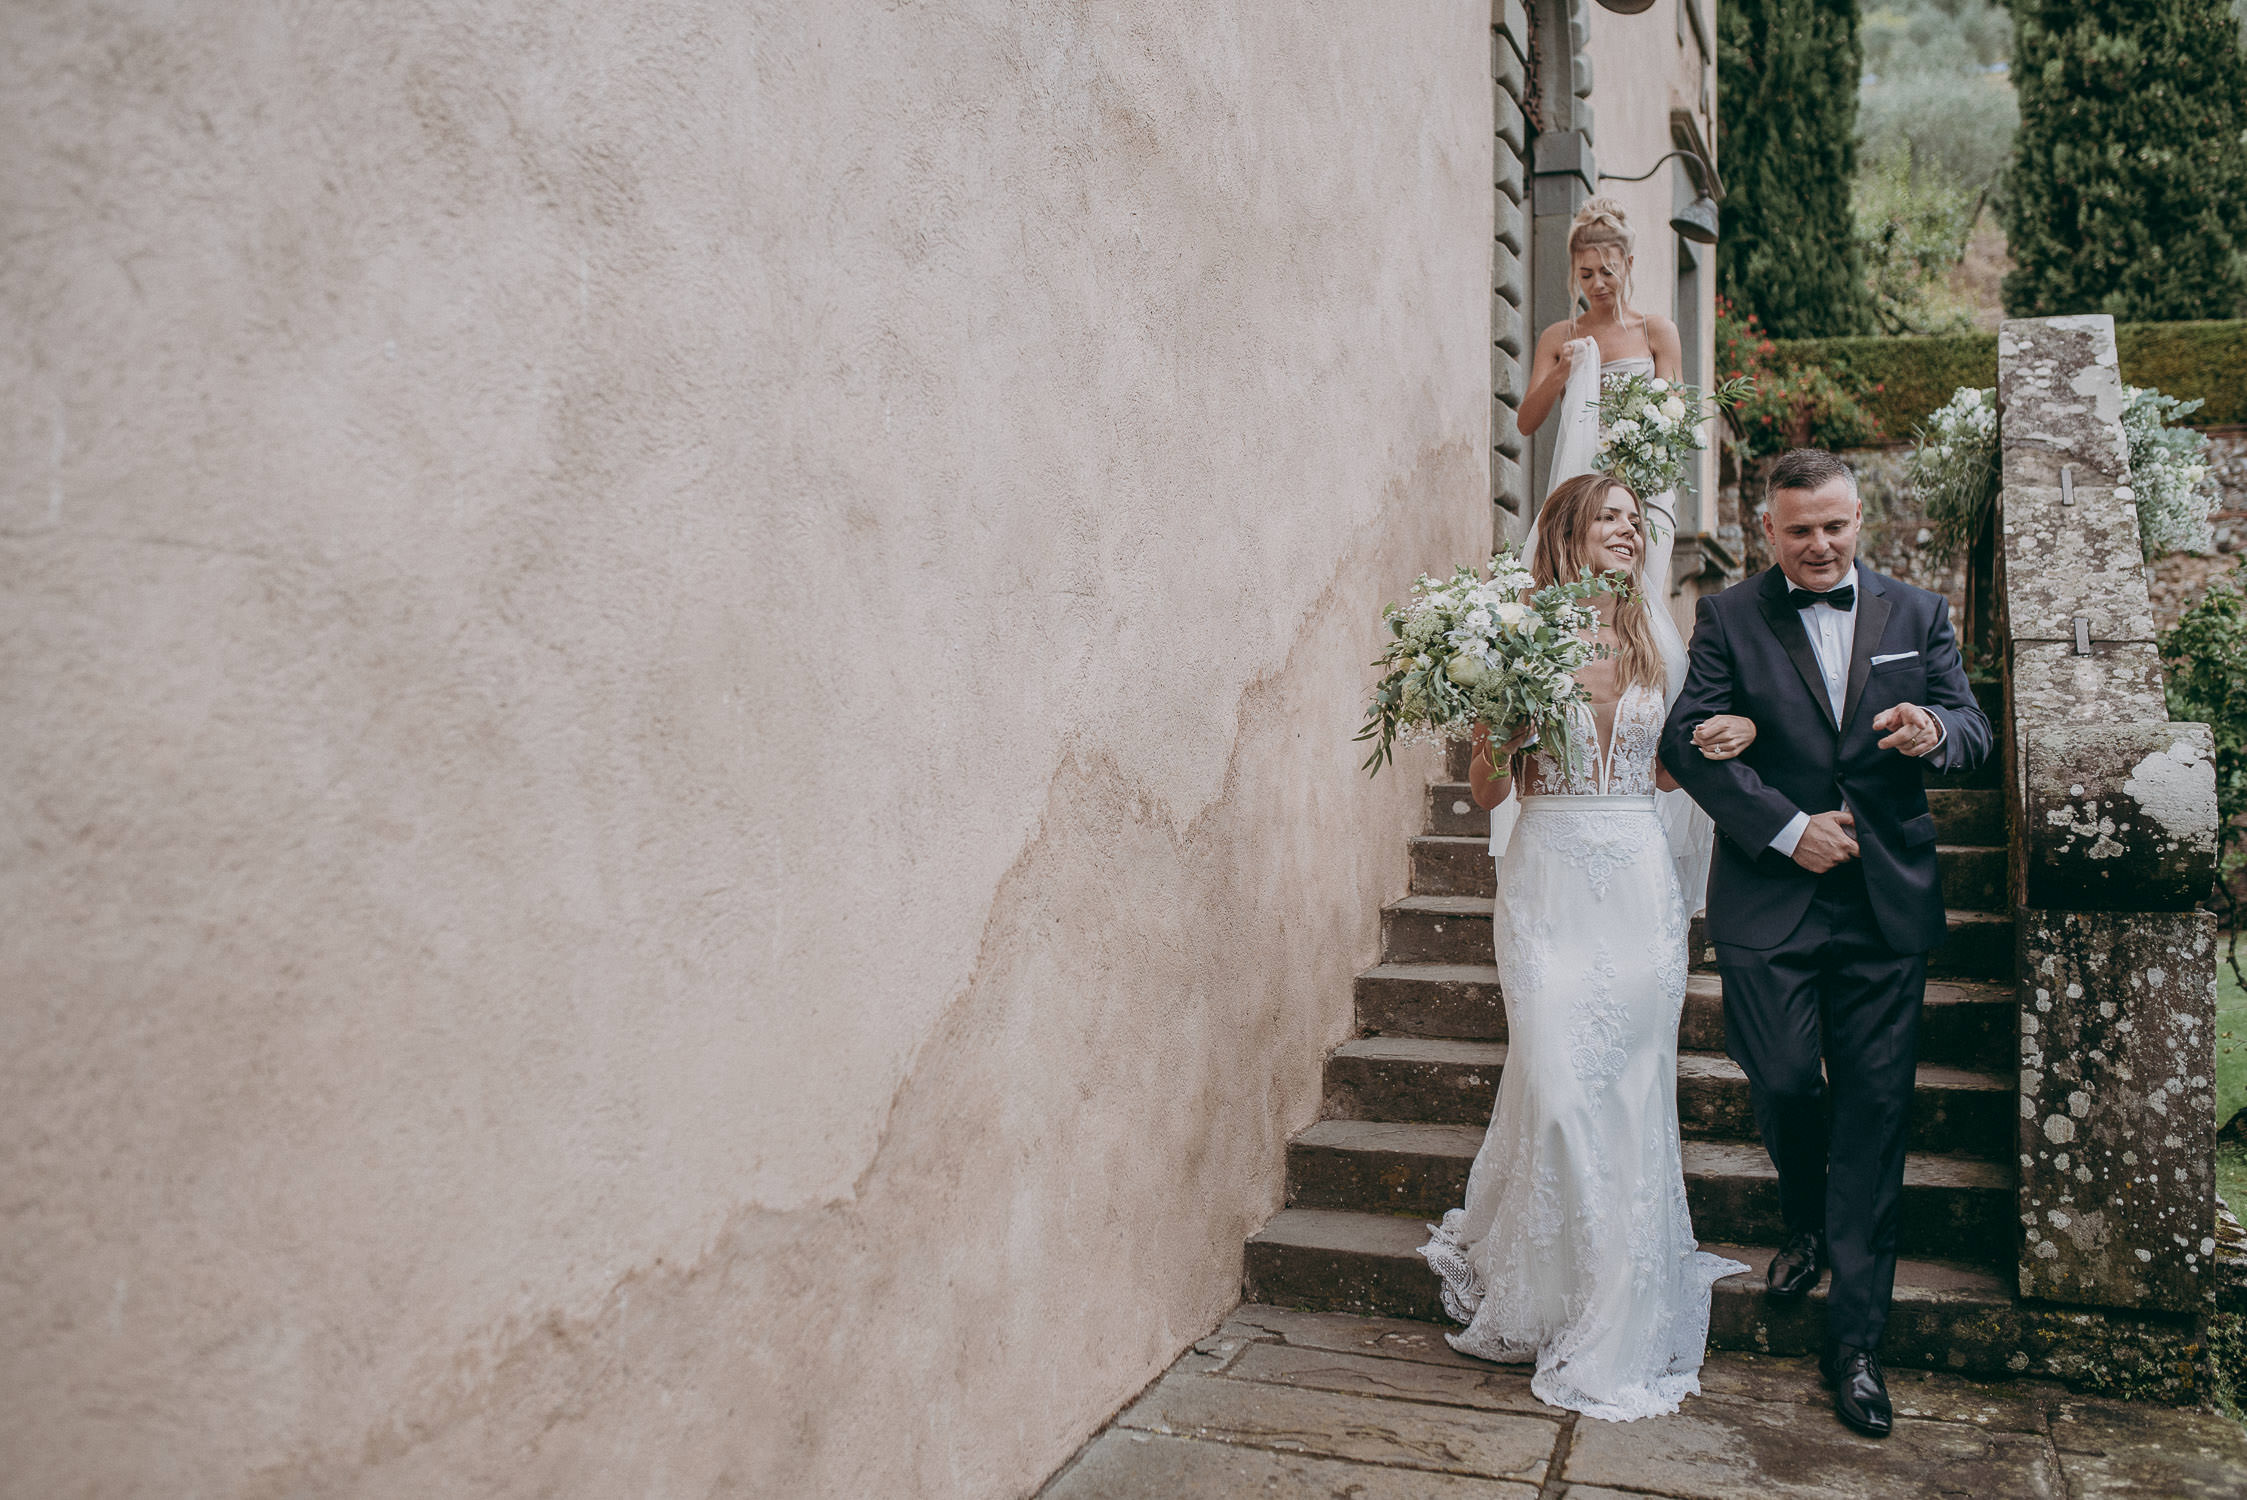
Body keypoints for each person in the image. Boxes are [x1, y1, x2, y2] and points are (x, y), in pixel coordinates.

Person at [1658, 449, 1993, 1438]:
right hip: (1770, 898)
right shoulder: (1727, 616)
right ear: (1768, 530)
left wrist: (1935, 727)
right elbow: (1687, 740)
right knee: (1783, 1081)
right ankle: (1803, 1208)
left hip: (1886, 904)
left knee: (1876, 1120)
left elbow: (1974, 728)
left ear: (1860, 521)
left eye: (1835, 527)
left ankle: (1854, 1346)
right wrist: (1784, 828)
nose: (1819, 546)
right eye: (1799, 530)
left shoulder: (1918, 615)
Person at [1418, 473, 1750, 1422]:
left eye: (1634, 524)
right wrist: (1502, 727)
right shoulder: (1513, 637)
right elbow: (1487, 794)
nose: (1627, 535)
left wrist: (1728, 738)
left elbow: (1668, 765)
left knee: (1632, 1084)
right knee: (1560, 1085)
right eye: (1608, 519)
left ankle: (1614, 1301)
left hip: (1637, 874)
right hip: (1549, 874)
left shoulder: (1653, 637)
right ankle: (1547, 1288)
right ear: (1565, 531)